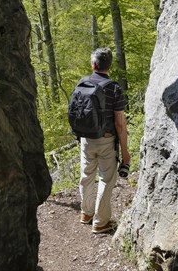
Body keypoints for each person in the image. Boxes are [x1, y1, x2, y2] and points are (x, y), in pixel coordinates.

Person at [76, 47, 130, 234]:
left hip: (85, 138)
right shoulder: (114, 88)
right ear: (109, 66)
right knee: (106, 179)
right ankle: (100, 222)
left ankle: (86, 213)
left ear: (93, 65)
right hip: (106, 140)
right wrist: (125, 153)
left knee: (86, 175)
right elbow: (120, 124)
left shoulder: (82, 83)